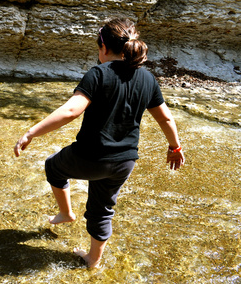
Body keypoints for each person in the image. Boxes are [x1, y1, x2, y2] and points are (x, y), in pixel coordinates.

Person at [13, 17, 185, 269]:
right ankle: (93, 260)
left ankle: (66, 213)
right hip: (124, 162)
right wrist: (175, 147)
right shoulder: (147, 79)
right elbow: (165, 118)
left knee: (53, 166)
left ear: (103, 47)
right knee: (102, 209)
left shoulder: (97, 74)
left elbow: (72, 111)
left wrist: (31, 132)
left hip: (89, 157)